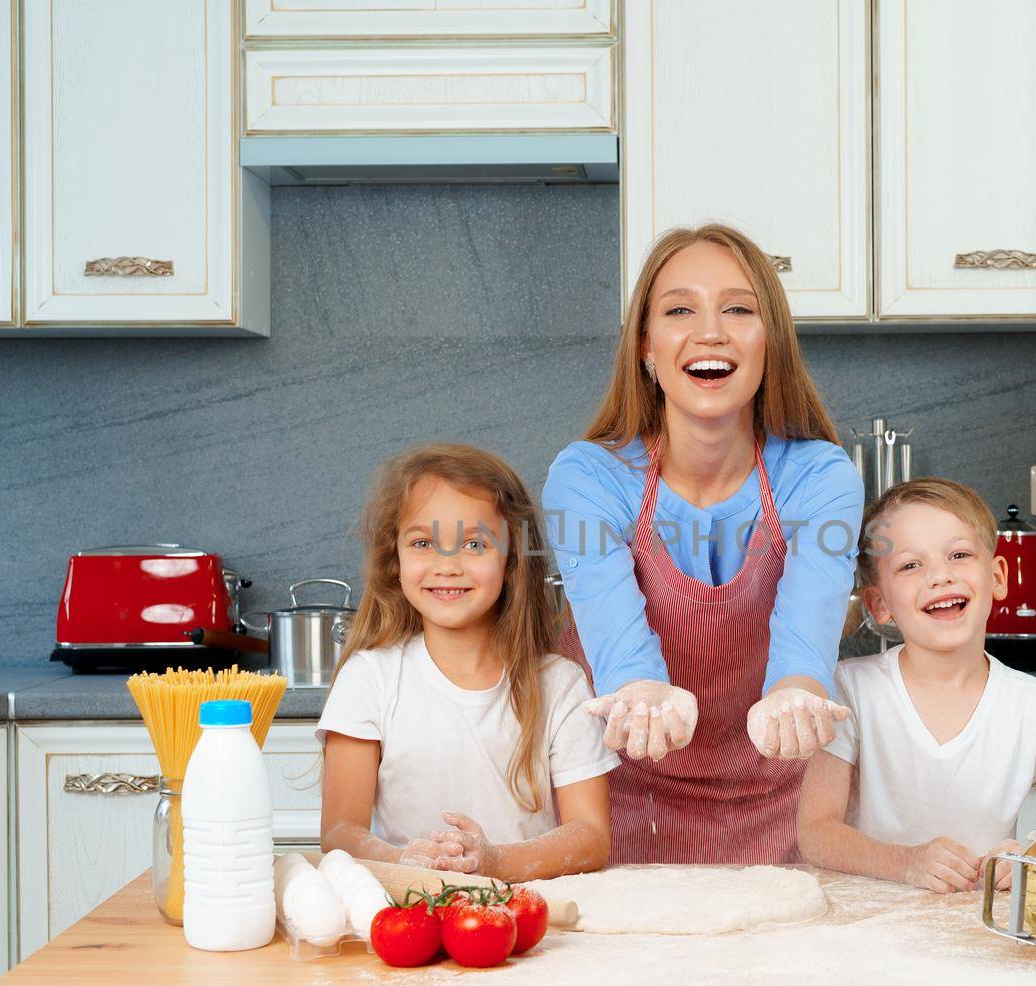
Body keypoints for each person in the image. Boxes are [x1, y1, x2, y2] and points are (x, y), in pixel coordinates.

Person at [543, 223, 866, 863]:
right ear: (646, 345)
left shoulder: (821, 477)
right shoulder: (586, 477)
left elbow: (806, 639)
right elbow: (618, 644)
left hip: (781, 815)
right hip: (624, 813)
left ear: (770, 340)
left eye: (739, 309)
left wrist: (795, 697)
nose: (710, 331)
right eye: (680, 309)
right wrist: (640, 692)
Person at [797, 477, 1036, 892]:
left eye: (959, 554)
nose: (940, 576)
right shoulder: (851, 689)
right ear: (879, 604)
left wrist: (1033, 855)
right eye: (911, 565)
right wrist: (906, 863)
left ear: (997, 576)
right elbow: (816, 832)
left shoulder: (1033, 704)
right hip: (871, 923)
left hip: (983, 923)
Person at [317, 444, 618, 882]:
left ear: (511, 561)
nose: (447, 566)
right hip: (406, 913)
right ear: (394, 560)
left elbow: (590, 836)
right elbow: (340, 833)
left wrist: (495, 862)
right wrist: (410, 863)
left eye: (475, 544)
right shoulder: (368, 680)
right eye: (423, 543)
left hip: (529, 920)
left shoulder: (560, 685)